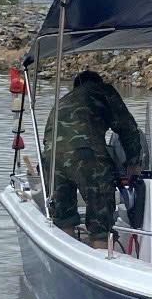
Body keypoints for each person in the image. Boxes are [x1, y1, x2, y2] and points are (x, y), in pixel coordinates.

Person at [43, 69, 144, 248]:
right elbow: (127, 128)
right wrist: (134, 163)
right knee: (100, 222)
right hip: (86, 156)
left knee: (64, 218)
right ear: (98, 82)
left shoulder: (63, 101)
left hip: (51, 159)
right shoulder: (103, 91)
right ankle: (101, 252)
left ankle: (68, 256)